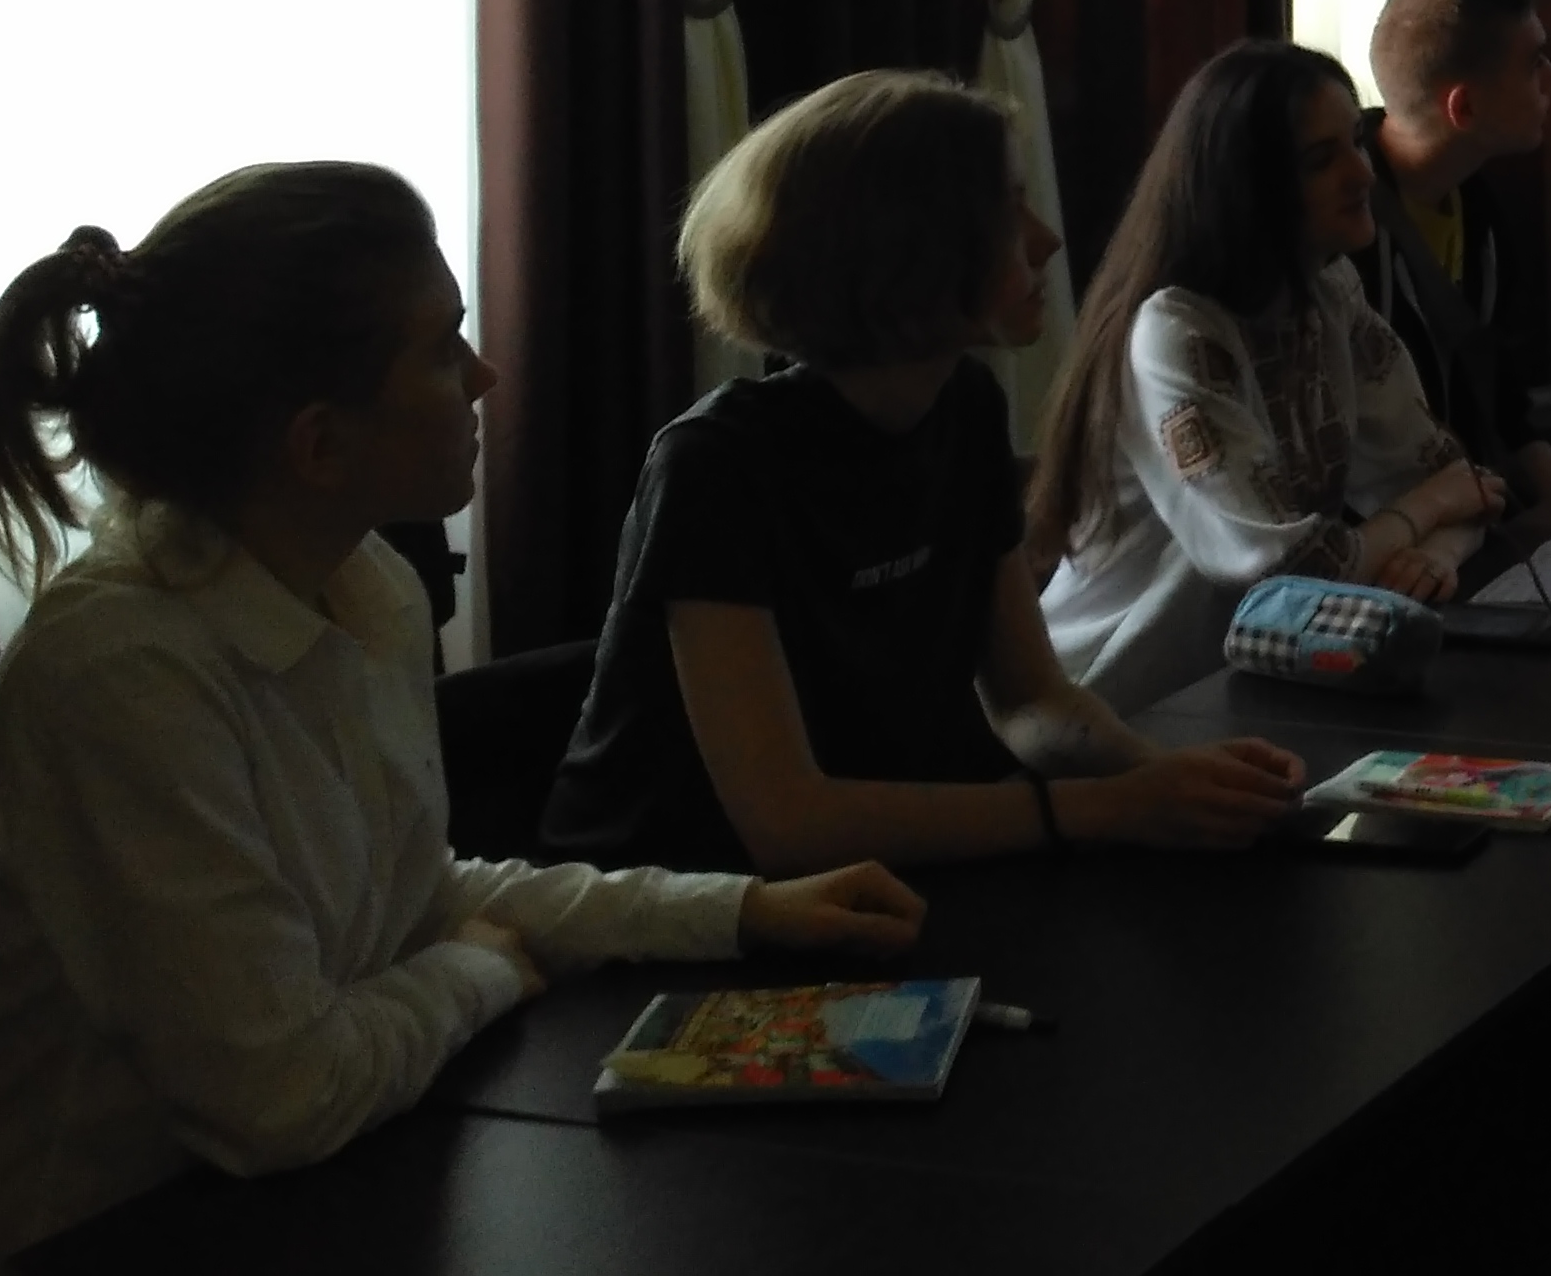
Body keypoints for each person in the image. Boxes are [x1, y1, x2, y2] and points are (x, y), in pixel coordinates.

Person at [0, 164, 923, 1276]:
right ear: (318, 445)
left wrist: (740, 912)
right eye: (444, 350)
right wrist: (475, 975)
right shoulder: (118, 673)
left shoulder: (366, 588)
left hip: (268, 1216)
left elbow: (416, 894)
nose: (484, 375)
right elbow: (283, 1095)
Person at [541, 71, 1306, 874]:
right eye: (1009, 211)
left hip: (874, 869)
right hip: (680, 898)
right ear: (911, 248)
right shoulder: (715, 467)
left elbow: (1030, 700)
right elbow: (788, 820)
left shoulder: (963, 407)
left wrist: (1170, 777)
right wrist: (1108, 807)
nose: (1045, 238)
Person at [1035, 44, 1508, 711]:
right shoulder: (1176, 331)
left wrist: (1438, 557)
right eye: (1320, 161)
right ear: (1249, 188)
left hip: (1250, 685)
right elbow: (1285, 574)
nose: (1362, 173)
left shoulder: (1331, 292)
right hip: (1116, 702)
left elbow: (1468, 488)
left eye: (1356, 142)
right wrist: (1430, 510)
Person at [1357, 0, 1551, 497]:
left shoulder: (1477, 205)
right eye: (1534, 63)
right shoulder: (1343, 235)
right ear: (1465, 107)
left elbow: (1505, 410)